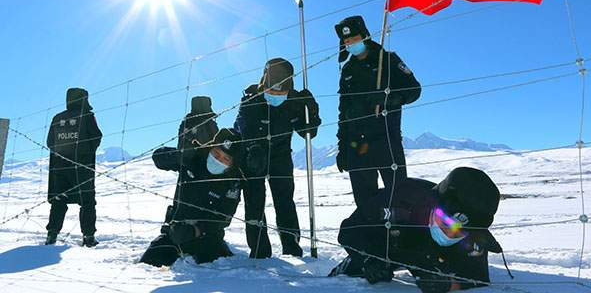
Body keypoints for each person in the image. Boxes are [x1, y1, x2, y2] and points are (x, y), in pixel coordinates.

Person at [329, 167, 511, 293]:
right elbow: (349, 231)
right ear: (436, 204)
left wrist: (448, 285)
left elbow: (477, 277)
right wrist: (367, 260)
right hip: (385, 247)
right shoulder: (399, 197)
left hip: (430, 258)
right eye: (446, 222)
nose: (449, 233)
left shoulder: (474, 237)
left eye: (459, 232)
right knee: (351, 275)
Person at [234, 58, 321, 258]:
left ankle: (291, 246)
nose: (275, 95)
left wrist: (311, 108)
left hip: (281, 156)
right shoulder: (251, 97)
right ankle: (259, 250)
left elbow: (308, 131)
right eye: (271, 91)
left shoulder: (292, 102)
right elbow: (242, 126)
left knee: (284, 201)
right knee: (254, 201)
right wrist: (253, 148)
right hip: (253, 154)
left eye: (281, 92)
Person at [335, 15, 421, 208]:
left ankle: (399, 237)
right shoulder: (347, 70)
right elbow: (343, 113)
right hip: (357, 145)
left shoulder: (388, 60)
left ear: (365, 36)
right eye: (347, 42)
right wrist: (343, 147)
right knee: (365, 205)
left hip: (386, 140)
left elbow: (415, 90)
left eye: (354, 39)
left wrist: (388, 98)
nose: (350, 44)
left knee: (399, 199)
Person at [140, 124, 248, 267]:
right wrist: (180, 155)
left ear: (231, 164)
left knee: (215, 269)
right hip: (174, 232)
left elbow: (223, 218)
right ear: (210, 148)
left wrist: (197, 230)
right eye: (216, 153)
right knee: (150, 262)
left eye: (225, 159)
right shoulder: (194, 159)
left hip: (207, 238)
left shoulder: (232, 183)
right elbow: (158, 158)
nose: (218, 160)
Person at [45, 87, 103, 247]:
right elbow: (97, 136)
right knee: (87, 201)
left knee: (59, 200)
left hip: (60, 168)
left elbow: (50, 142)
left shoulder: (57, 118)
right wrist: (85, 154)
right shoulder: (87, 116)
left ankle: (52, 235)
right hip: (82, 167)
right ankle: (89, 237)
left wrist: (63, 156)